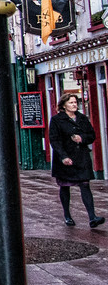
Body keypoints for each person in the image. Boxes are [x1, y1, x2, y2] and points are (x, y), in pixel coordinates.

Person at [49, 94, 105, 228]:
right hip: (65, 159)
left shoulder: (82, 118)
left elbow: (91, 135)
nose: (75, 105)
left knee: (85, 184)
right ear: (64, 105)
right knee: (65, 186)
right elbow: (55, 140)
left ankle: (92, 217)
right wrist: (63, 156)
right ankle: (67, 215)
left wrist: (82, 138)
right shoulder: (57, 120)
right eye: (71, 102)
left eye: (75, 102)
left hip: (81, 157)